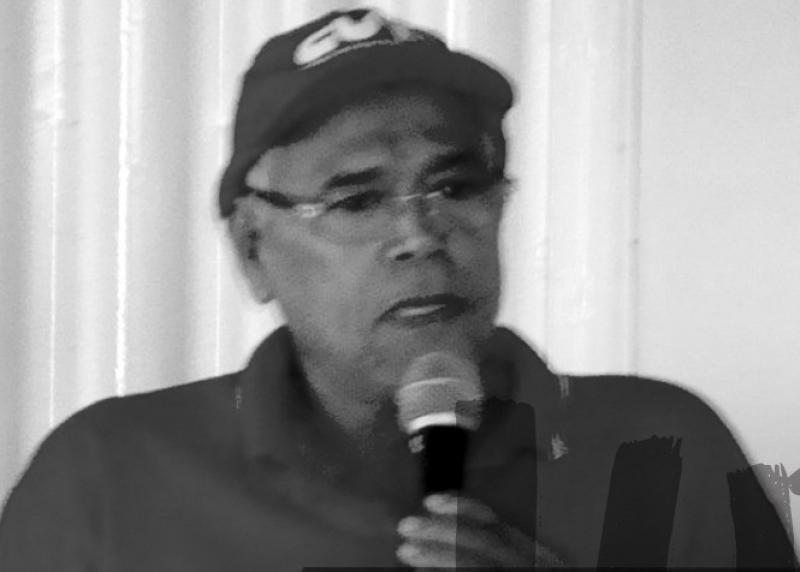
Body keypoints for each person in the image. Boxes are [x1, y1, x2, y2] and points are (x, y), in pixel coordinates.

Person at [0, 8, 796, 570]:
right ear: (251, 249)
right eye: (356, 200)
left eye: (455, 186)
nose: (420, 234)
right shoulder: (108, 475)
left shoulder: (664, 447)